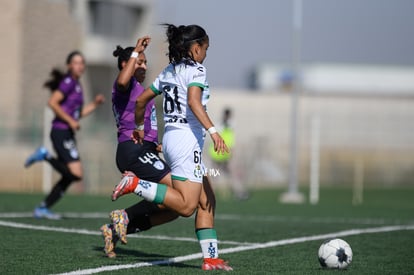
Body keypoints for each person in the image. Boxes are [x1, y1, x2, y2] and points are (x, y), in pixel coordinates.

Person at [111, 25, 232, 271]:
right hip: (187, 140)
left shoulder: (169, 70)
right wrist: (213, 130)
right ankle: (135, 184)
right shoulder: (197, 70)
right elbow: (193, 102)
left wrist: (138, 126)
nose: (206, 54)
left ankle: (211, 258)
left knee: (207, 199)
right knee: (187, 206)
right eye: (205, 49)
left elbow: (143, 99)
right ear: (196, 48)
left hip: (171, 139)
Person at [100, 38, 178, 258]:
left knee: (174, 209)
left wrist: (158, 146)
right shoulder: (125, 87)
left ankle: (114, 230)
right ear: (126, 65)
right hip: (133, 151)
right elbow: (123, 82)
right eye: (139, 62)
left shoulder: (140, 90)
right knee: (180, 192)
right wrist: (135, 51)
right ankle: (124, 213)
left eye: (145, 62)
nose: (144, 66)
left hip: (144, 151)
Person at [24, 51, 105, 219]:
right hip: (60, 131)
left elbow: (78, 114)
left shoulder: (77, 85)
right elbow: (52, 102)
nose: (80, 65)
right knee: (76, 175)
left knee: (70, 177)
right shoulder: (68, 82)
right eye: (76, 62)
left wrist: (95, 104)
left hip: (66, 132)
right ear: (69, 65)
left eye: (82, 62)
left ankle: (43, 207)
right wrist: (70, 121)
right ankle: (45, 155)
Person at [209, 107, 249, 200]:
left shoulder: (229, 124)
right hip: (218, 154)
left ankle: (239, 192)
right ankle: (210, 193)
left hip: (225, 154)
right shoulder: (220, 125)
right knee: (215, 174)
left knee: (231, 174)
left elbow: (230, 139)